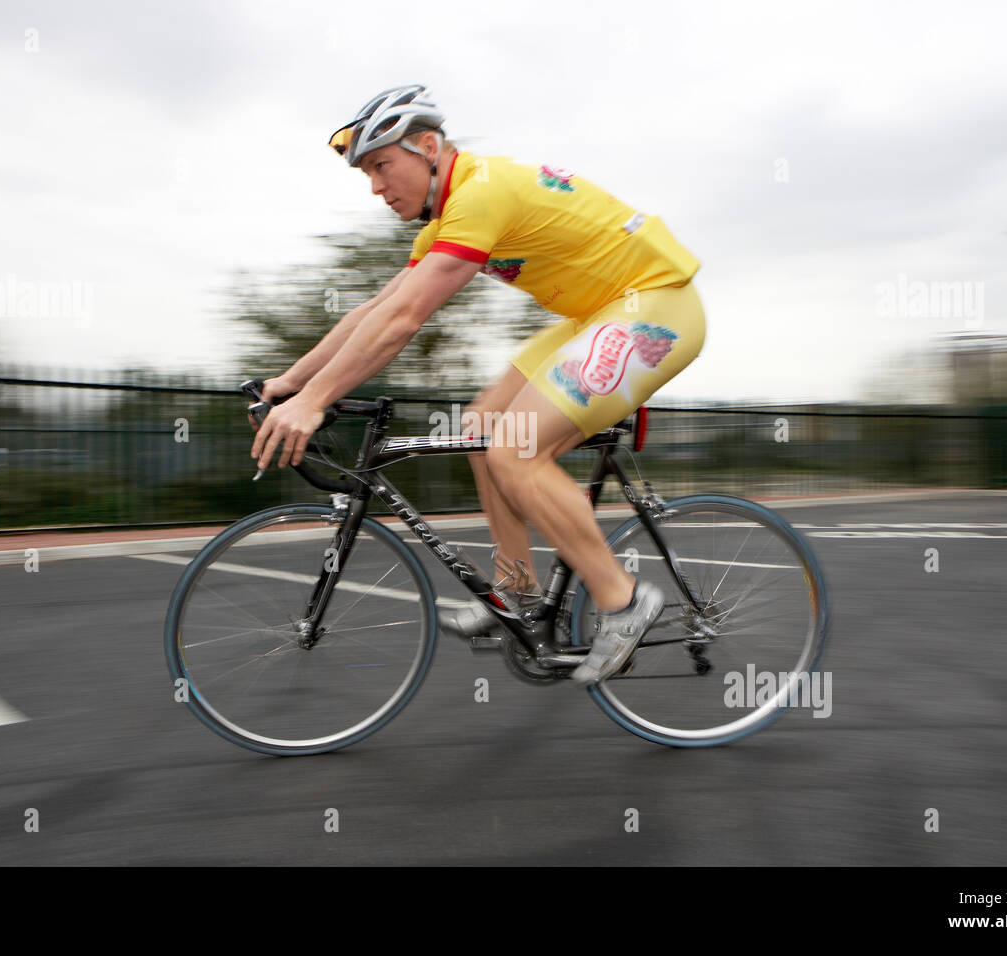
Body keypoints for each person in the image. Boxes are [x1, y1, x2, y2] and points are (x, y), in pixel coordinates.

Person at [250, 85, 705, 685]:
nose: (377, 187)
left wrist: (315, 403)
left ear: (429, 147)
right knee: (484, 425)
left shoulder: (481, 192)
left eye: (382, 166)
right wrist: (289, 383)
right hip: (597, 315)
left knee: (514, 449)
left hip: (655, 305)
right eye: (367, 174)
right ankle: (516, 590)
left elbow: (403, 323)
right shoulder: (449, 217)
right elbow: (372, 313)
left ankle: (623, 601)